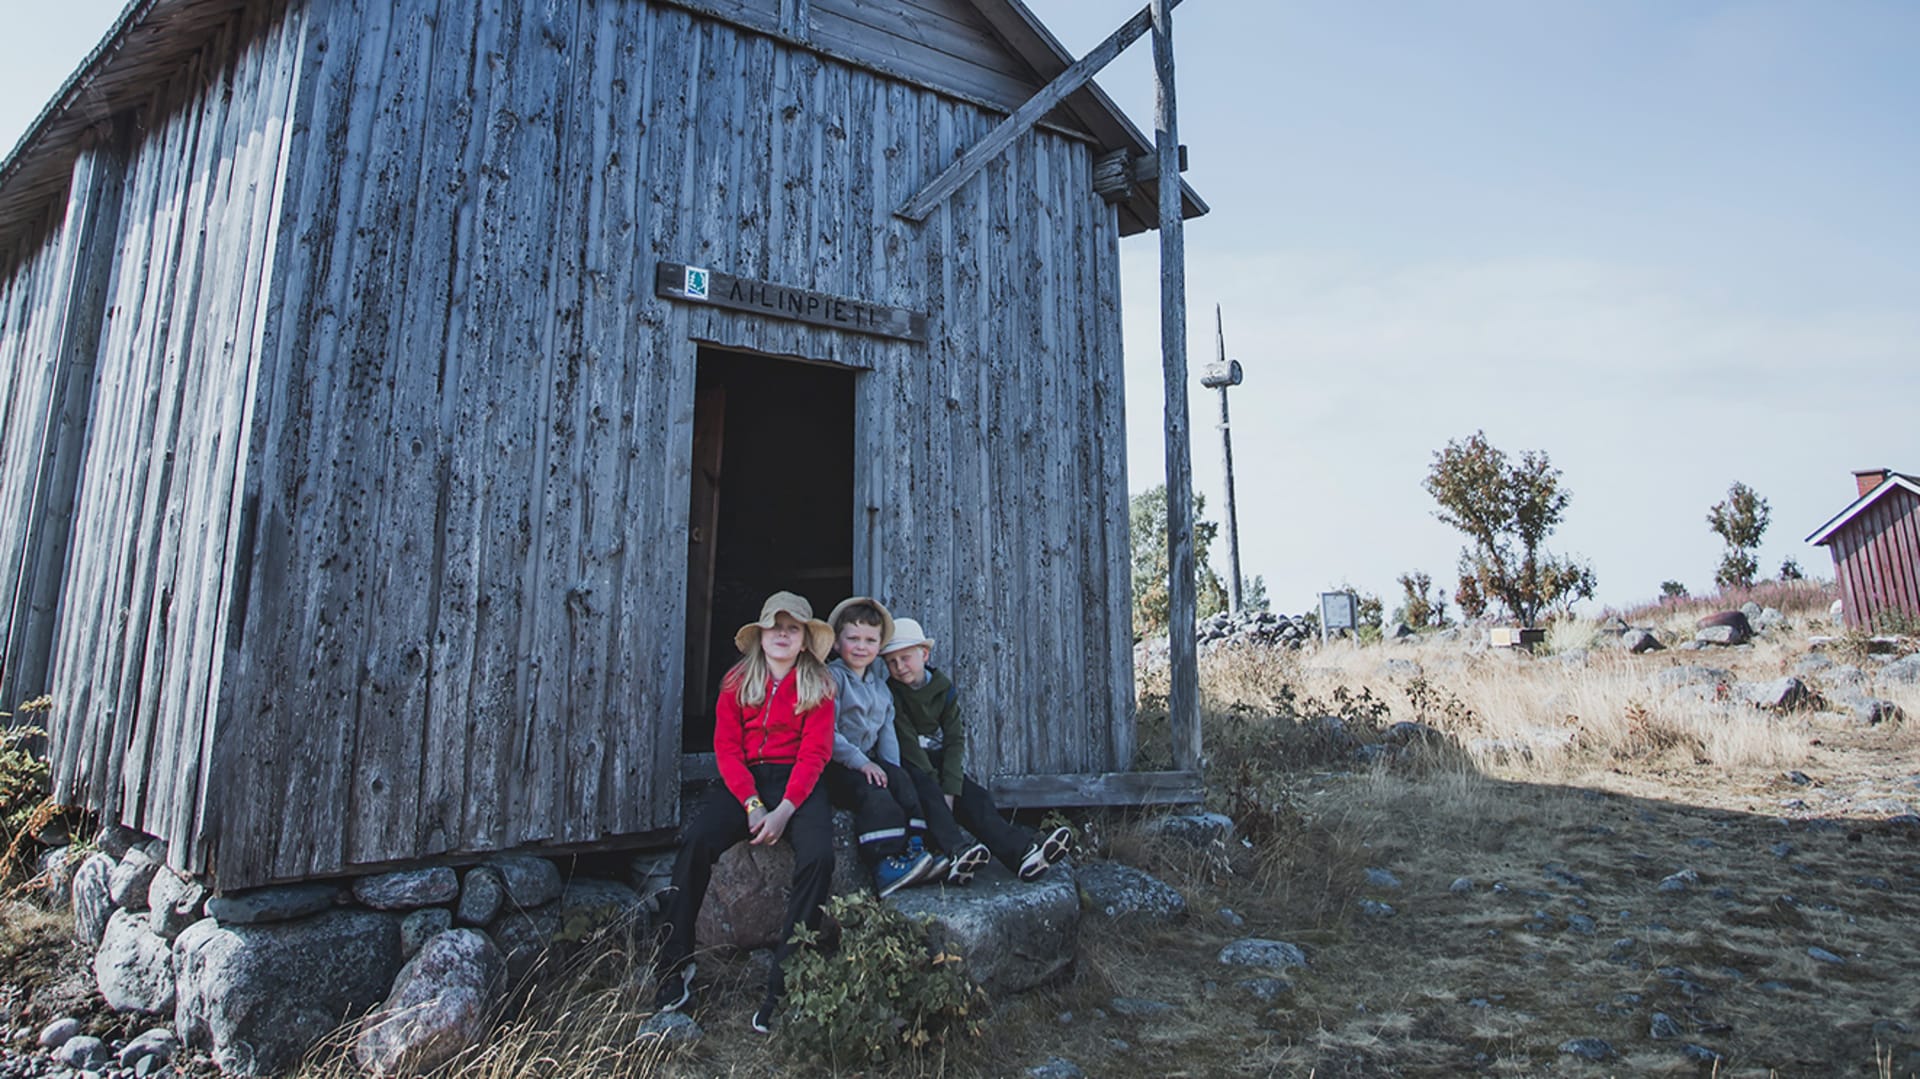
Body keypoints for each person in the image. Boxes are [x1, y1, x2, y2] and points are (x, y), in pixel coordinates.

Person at [653, 591, 837, 1034]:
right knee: (697, 842)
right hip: (746, 781)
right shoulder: (737, 683)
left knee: (819, 857)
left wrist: (785, 811)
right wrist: (754, 805)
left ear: (805, 641)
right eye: (775, 627)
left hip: (798, 782)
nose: (782, 635)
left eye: (792, 629)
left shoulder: (819, 686)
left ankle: (782, 983)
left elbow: (816, 753)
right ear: (761, 635)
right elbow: (727, 750)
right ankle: (674, 966)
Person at [881, 616, 1072, 884]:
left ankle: (1023, 854)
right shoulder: (892, 692)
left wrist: (951, 786)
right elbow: (907, 742)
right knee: (929, 792)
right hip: (910, 763)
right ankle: (957, 852)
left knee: (974, 797)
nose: (899, 667)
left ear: (924, 654)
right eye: (891, 661)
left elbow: (955, 738)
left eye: (905, 658)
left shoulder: (943, 689)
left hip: (936, 759)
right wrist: (939, 790)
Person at [822, 597, 940, 895]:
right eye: (853, 639)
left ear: (879, 647)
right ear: (837, 643)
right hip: (836, 766)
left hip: (870, 761)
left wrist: (893, 772)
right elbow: (827, 733)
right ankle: (884, 864)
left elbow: (887, 735)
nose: (861, 646)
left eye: (870, 640)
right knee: (872, 792)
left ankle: (914, 848)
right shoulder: (832, 679)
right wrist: (863, 763)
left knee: (900, 779)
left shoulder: (880, 688)